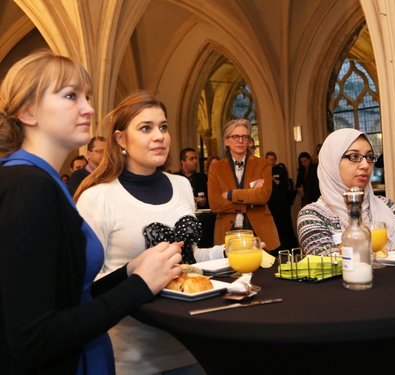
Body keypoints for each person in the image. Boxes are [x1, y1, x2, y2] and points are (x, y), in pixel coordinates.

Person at [0, 50, 182, 375]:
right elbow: (34, 338)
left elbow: (70, 294)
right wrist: (139, 285)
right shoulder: (28, 187)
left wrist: (127, 273)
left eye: (87, 96)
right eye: (71, 96)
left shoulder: (42, 180)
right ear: (28, 111)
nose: (89, 108)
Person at [75, 91, 224, 374]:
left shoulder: (181, 185)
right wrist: (136, 271)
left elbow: (189, 259)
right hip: (133, 356)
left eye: (163, 127)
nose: (160, 136)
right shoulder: (98, 198)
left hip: (193, 344)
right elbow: (88, 286)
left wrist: (226, 252)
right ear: (120, 139)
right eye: (146, 128)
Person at [297, 128, 395, 260]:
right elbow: (330, 261)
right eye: (354, 156)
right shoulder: (312, 215)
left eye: (369, 157)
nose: (365, 165)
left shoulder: (387, 205)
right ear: (332, 162)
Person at [208, 119, 280, 251]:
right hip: (227, 233)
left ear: (248, 141)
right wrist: (250, 198)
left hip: (259, 232)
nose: (240, 140)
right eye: (235, 137)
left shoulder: (262, 164)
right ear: (226, 141)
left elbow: (263, 196)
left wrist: (230, 194)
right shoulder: (216, 168)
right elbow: (215, 204)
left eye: (244, 137)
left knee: (263, 271)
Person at [265, 151, 298, 250]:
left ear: (275, 160)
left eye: (273, 160)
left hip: (282, 204)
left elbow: (284, 185)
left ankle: (288, 248)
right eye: (269, 160)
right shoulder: (263, 171)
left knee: (284, 226)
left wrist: (274, 180)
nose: (271, 162)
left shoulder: (280, 170)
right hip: (270, 204)